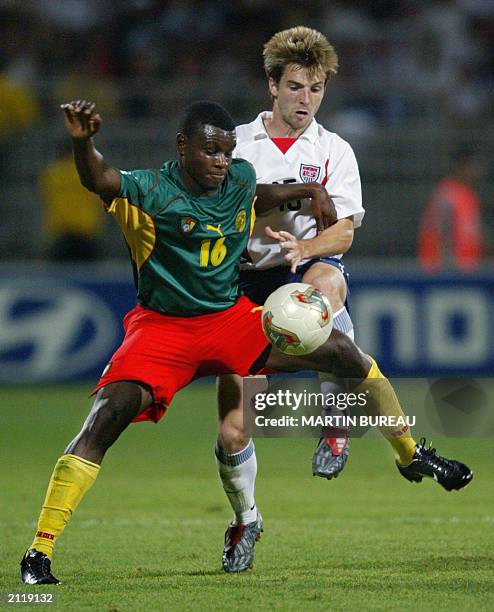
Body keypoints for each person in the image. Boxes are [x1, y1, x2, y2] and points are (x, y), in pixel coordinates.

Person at [20, 99, 472, 585]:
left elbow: (258, 192)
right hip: (163, 329)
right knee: (106, 417)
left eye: (227, 151)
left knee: (344, 351)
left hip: (228, 319)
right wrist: (83, 142)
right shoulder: (151, 189)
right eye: (210, 151)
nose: (221, 161)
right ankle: (39, 552)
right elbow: (100, 179)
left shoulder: (234, 177)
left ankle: (409, 454)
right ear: (183, 147)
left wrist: (309, 188)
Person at [213, 27, 474, 574]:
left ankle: (336, 422)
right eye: (294, 87)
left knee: (326, 288)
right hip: (242, 286)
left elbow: (345, 234)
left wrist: (304, 247)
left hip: (306, 267)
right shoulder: (235, 145)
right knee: (234, 428)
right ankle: (247, 519)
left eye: (314, 88)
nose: (305, 99)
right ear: (272, 87)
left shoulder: (334, 150)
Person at [418, 147, 483, 273]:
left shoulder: (469, 196)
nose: (476, 172)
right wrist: (447, 269)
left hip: (469, 269)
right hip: (448, 271)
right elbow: (440, 234)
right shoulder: (446, 195)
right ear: (462, 166)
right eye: (472, 167)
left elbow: (471, 236)